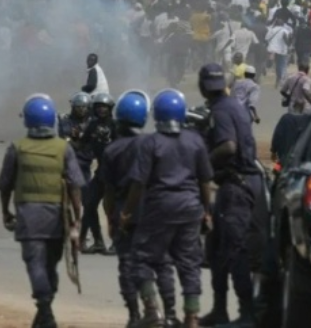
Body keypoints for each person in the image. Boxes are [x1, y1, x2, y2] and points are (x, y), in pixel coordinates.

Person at [120, 89, 213, 328]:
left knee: (140, 258)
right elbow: (205, 181)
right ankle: (191, 318)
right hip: (191, 207)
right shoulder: (195, 141)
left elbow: (138, 184)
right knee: (189, 263)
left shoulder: (150, 142)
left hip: (159, 208)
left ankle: (153, 311)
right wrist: (207, 210)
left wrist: (127, 212)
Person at [0, 94, 85, 328]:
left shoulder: (17, 148)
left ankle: (44, 311)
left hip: (28, 217)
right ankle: (44, 312)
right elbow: (75, 185)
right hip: (57, 218)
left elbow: (5, 185)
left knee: (35, 264)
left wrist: (5, 212)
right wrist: (77, 219)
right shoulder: (64, 148)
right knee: (50, 265)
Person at [101, 90, 180, 327]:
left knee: (128, 264)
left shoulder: (111, 151)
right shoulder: (154, 143)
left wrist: (112, 218)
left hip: (127, 215)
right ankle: (170, 314)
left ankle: (137, 314)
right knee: (162, 263)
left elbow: (108, 193)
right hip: (157, 212)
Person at [197, 64, 263, 327]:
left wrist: (203, 165)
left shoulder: (221, 111)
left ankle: (247, 314)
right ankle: (220, 310)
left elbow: (227, 146)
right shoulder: (232, 105)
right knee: (216, 251)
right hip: (236, 185)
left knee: (235, 251)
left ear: (203, 87)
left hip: (237, 186)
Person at [79, 92, 116, 254]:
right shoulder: (92, 126)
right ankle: (98, 241)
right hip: (101, 172)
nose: (101, 110)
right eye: (98, 107)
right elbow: (82, 144)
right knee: (89, 203)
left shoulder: (116, 126)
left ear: (110, 109)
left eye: (104, 107)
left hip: (116, 174)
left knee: (113, 209)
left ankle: (117, 243)